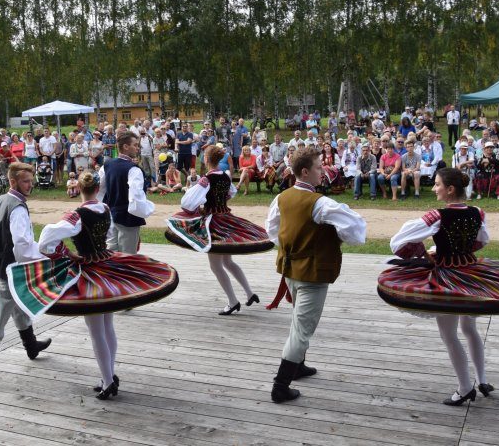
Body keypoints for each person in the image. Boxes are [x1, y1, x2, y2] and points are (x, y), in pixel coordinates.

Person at [377, 168, 499, 405]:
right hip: (472, 273)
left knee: (449, 335)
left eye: (437, 184)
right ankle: (482, 380)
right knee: (470, 329)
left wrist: (427, 254)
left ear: (450, 189)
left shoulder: (437, 216)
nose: (434, 188)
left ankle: (464, 388)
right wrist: (455, 251)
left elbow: (398, 242)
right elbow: (482, 240)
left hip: (448, 278)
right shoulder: (478, 212)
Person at [7, 171, 178, 399]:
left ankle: (108, 381)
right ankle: (109, 374)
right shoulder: (105, 209)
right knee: (107, 326)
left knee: (97, 330)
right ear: (97, 189)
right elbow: (107, 234)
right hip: (107, 264)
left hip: (90, 272)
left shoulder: (76, 215)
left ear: (78, 189)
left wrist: (66, 253)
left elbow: (47, 238)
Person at [265, 148, 366, 403]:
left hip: (290, 270)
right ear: (306, 172)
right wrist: (333, 238)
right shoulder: (320, 203)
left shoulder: (282, 198)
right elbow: (355, 230)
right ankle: (280, 386)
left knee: (298, 321)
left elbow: (273, 230)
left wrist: (293, 248)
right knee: (301, 329)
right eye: (320, 168)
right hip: (312, 274)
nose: (324, 171)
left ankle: (298, 366)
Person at [0, 162, 51, 382]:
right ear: (13, 181)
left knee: (18, 305)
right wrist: (44, 256)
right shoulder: (18, 208)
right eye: (25, 181)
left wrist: (1, 245)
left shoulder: (2, 200)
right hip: (10, 269)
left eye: (31, 181)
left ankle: (31, 345)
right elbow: (23, 247)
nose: (29, 185)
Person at [166, 146, 273, 315]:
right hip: (226, 219)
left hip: (214, 223)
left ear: (207, 160)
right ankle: (249, 293)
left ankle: (232, 301)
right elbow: (232, 192)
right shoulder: (225, 175)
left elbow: (187, 203)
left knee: (216, 266)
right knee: (228, 262)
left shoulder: (206, 179)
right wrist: (218, 201)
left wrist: (204, 206)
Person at [98, 131, 155, 255]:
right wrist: (146, 210)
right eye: (135, 145)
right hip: (128, 217)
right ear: (125, 146)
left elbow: (100, 189)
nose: (137, 148)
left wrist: (103, 208)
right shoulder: (134, 169)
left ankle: (111, 274)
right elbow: (135, 196)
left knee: (111, 251)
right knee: (127, 255)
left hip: (111, 214)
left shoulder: (107, 165)